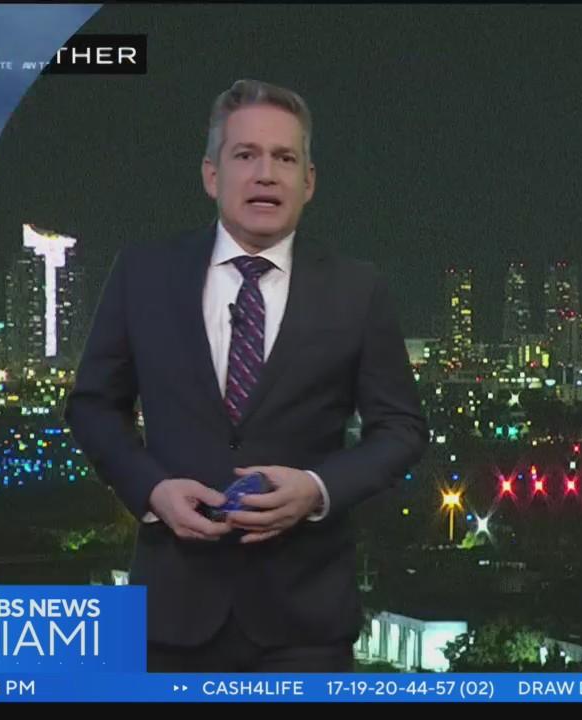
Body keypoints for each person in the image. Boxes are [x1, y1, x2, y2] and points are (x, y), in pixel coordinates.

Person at [65, 79, 428, 672]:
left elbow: (402, 429)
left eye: (285, 158)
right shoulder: (143, 274)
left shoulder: (357, 289)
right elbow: (92, 407)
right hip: (170, 618)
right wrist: (152, 491)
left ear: (308, 182)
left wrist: (317, 488)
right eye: (246, 155)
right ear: (212, 175)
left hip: (305, 625)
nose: (266, 174)